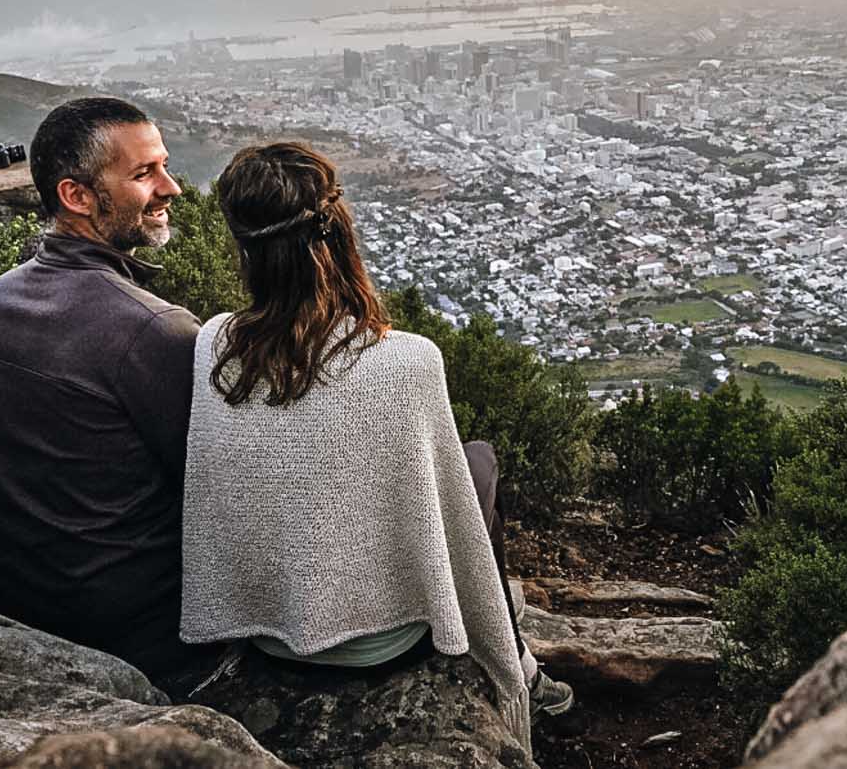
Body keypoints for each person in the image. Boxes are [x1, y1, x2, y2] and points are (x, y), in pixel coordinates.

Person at [179, 142, 572, 754]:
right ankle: (521, 666)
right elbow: (453, 517)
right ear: (338, 231)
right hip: (383, 644)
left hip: (266, 630)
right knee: (478, 465)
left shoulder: (215, 345)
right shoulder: (407, 359)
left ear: (244, 247)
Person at [0, 96, 224, 695]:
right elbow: (213, 489)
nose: (171, 188)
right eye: (143, 174)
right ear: (76, 197)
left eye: (163, 165)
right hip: (141, 637)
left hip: (16, 604)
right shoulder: (152, 329)